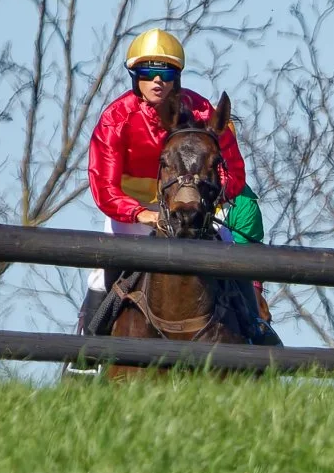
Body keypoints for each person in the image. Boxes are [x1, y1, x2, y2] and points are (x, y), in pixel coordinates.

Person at [77, 28, 279, 345]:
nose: (157, 81)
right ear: (135, 77)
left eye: (166, 72)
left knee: (233, 255)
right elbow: (104, 186)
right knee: (100, 274)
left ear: (177, 77)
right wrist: (141, 214)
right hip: (135, 212)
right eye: (147, 72)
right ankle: (85, 354)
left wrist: (207, 197)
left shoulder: (203, 112)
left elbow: (234, 171)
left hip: (195, 207)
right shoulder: (115, 119)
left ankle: (255, 331)